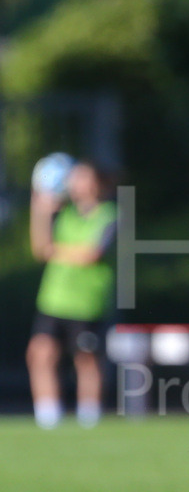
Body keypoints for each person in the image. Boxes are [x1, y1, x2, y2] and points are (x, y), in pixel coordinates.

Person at [26, 160, 117, 429]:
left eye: (82, 178)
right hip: (53, 299)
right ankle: (48, 417)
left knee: (86, 360)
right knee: (40, 354)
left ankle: (89, 418)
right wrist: (40, 212)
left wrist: (56, 251)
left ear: (96, 183)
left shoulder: (109, 214)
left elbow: (91, 254)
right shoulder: (64, 214)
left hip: (86, 303)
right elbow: (40, 249)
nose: (75, 184)